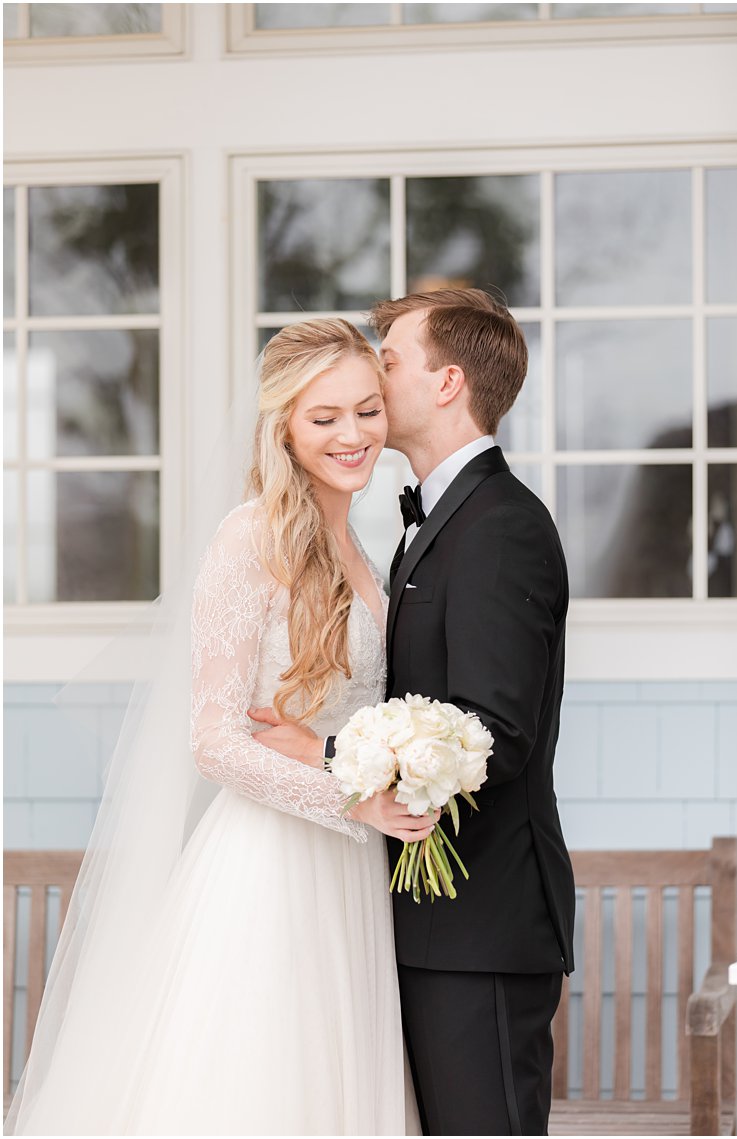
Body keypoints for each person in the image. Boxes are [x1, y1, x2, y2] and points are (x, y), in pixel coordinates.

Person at [7, 319, 428, 1134]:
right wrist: (354, 797)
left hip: (351, 872)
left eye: (367, 410)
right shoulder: (251, 536)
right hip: (269, 867)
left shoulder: (359, 545)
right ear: (283, 426)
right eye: (324, 416)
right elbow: (213, 738)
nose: (353, 434)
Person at [259, 288, 575, 1136]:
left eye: (388, 362)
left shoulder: (500, 524)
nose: (373, 376)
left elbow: (493, 733)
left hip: (481, 922)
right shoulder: (428, 522)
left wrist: (329, 754)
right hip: (421, 918)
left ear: (446, 382)